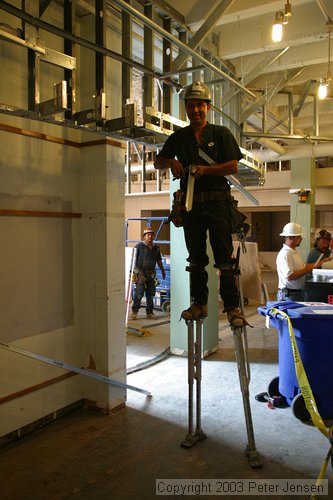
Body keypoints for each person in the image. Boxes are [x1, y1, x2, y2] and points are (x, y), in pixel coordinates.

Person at [154, 80, 246, 328]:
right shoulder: (179, 137)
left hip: (218, 205)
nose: (196, 110)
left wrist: (207, 169)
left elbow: (232, 166)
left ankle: (231, 307)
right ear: (186, 108)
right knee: (195, 259)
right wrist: (170, 163)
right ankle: (199, 303)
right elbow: (157, 161)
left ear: (208, 107)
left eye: (200, 106)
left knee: (224, 260)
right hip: (191, 206)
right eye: (191, 106)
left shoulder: (221, 134)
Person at [276, 222, 332, 301]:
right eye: (299, 236)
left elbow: (303, 267)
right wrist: (307, 269)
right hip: (289, 295)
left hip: (296, 293)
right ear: (291, 237)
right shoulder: (285, 254)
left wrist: (319, 263)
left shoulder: (294, 252)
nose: (301, 239)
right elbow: (289, 276)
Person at [131, 226, 166, 320]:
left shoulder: (156, 248)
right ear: (144, 237)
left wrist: (162, 270)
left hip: (151, 274)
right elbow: (132, 259)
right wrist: (136, 273)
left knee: (151, 294)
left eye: (151, 235)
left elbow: (159, 260)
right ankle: (134, 312)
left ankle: (149, 312)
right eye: (148, 235)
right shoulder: (139, 247)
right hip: (140, 273)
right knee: (139, 293)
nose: (150, 236)